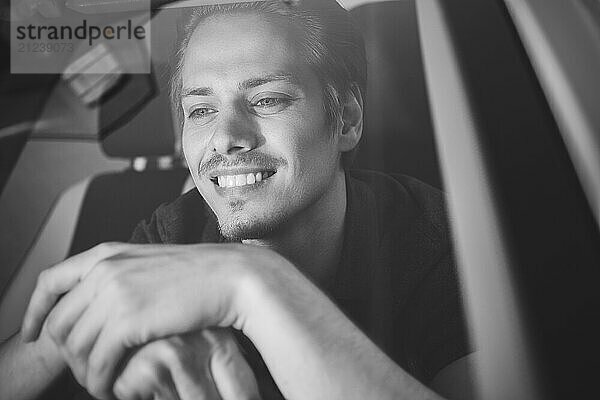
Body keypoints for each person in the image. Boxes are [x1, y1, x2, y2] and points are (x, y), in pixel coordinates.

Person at [0, 1, 474, 399]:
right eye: (202, 110)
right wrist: (78, 326)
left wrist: (251, 284)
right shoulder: (173, 232)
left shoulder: (442, 241)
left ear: (346, 120)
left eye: (268, 100)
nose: (226, 138)